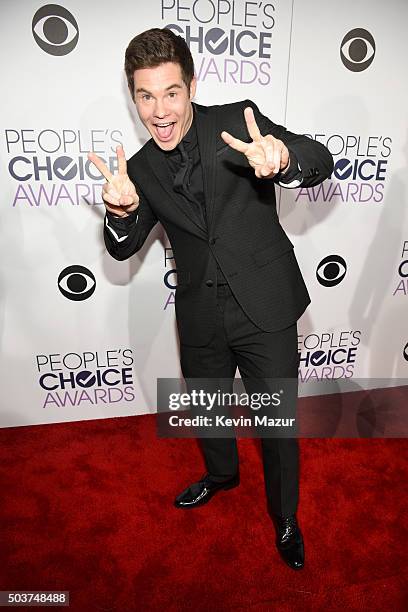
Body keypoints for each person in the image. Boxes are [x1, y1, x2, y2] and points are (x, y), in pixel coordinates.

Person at [88, 27, 334, 570]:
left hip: (264, 306)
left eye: (170, 92)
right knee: (209, 410)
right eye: (145, 96)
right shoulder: (143, 168)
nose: (159, 110)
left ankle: (285, 516)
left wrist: (284, 159)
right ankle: (222, 475)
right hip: (200, 312)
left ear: (191, 86)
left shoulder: (236, 121)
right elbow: (122, 247)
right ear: (133, 98)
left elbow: (318, 157)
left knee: (277, 424)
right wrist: (123, 213)